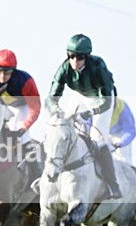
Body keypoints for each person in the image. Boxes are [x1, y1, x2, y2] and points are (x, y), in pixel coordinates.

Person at [46, 33, 122, 199]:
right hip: (80, 95)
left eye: (79, 57)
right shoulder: (64, 68)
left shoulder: (98, 66)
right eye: (71, 56)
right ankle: (49, 176)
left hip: (103, 100)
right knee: (61, 129)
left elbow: (106, 102)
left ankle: (112, 184)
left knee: (97, 138)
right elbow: (51, 99)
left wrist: (91, 112)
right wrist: (56, 111)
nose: (74, 61)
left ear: (87, 57)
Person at [0, 49, 41, 148]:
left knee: (19, 133)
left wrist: (23, 129)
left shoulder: (25, 81)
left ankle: (28, 157)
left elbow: (35, 108)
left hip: (22, 107)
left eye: (7, 72)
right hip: (3, 106)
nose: (2, 76)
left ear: (13, 71)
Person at [109, 97, 136, 165]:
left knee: (124, 156)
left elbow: (130, 131)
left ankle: (128, 169)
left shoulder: (122, 107)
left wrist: (121, 143)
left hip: (119, 136)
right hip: (102, 134)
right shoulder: (95, 105)